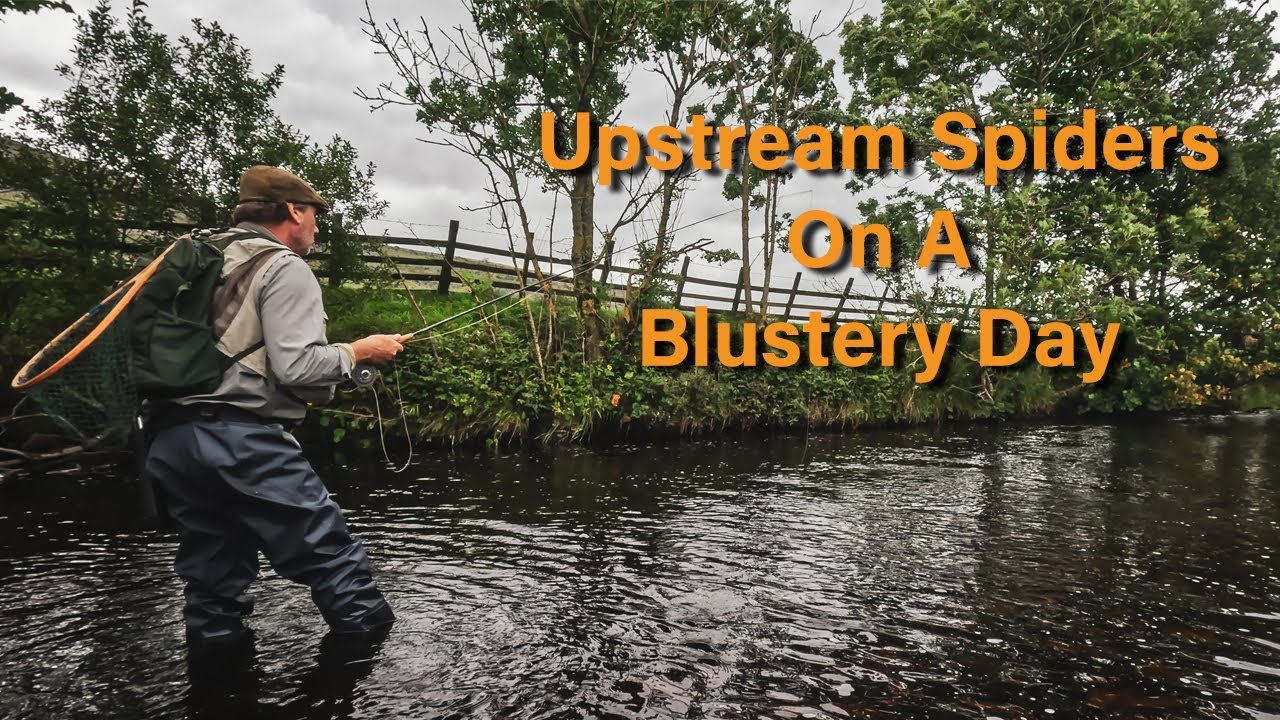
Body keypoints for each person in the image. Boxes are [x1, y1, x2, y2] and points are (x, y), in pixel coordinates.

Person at [144, 165, 405, 646]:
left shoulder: (204, 259)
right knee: (333, 560)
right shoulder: (283, 266)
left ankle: (216, 688)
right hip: (241, 442)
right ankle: (383, 677)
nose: (318, 226)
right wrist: (358, 352)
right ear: (292, 210)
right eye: (314, 214)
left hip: (171, 440)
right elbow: (299, 369)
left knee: (213, 586)